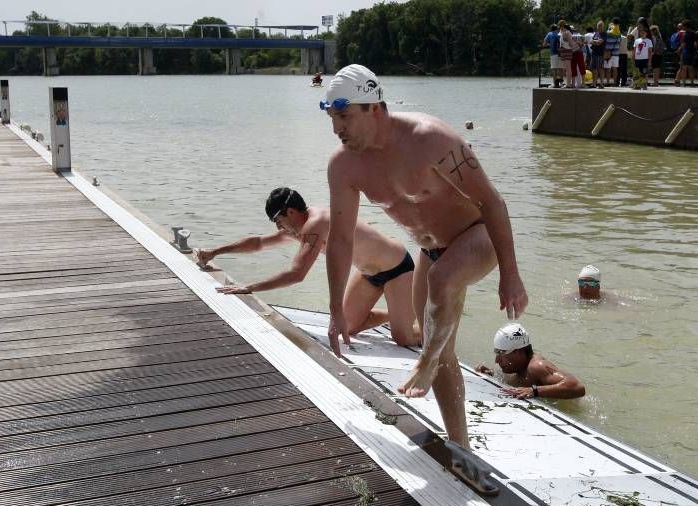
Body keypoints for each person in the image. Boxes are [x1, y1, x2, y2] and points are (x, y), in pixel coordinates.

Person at [321, 64, 528, 463]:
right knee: (443, 346)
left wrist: (510, 273)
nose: (338, 129)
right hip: (429, 251)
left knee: (441, 283)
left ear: (375, 108)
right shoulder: (344, 165)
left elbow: (493, 202)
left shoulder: (430, 139)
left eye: (344, 117)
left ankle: (425, 362)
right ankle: (461, 446)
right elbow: (341, 240)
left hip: (476, 235)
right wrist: (334, 309)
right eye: (332, 119)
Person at [197, 187, 421, 350]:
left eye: (277, 220)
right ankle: (399, 314)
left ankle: (431, 325)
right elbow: (259, 242)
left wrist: (249, 287)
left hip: (397, 267)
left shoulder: (316, 224)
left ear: (291, 212)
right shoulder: (299, 227)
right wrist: (216, 251)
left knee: (404, 338)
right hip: (369, 273)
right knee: (350, 326)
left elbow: (297, 274)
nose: (278, 227)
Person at [474, 323, 585, 400]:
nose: (497, 360)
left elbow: (577, 387)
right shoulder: (518, 366)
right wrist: (491, 373)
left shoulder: (536, 366)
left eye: (502, 354)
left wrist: (534, 391)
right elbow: (517, 381)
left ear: (518, 352)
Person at [680, 20, 698, 86]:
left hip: (686, 52)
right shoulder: (694, 33)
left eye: (683, 26)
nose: (682, 27)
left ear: (685, 26)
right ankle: (692, 83)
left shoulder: (685, 34)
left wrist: (679, 50)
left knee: (684, 68)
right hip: (692, 52)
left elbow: (683, 44)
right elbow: (696, 44)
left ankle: (683, 83)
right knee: (691, 68)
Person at [590, 21, 607, 89]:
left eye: (600, 26)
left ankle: (601, 83)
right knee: (594, 69)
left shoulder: (604, 34)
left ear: (603, 27)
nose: (599, 27)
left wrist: (595, 42)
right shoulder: (596, 33)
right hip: (594, 53)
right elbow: (591, 41)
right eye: (598, 26)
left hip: (600, 53)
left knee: (600, 68)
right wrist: (595, 42)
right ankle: (594, 83)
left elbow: (600, 42)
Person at [557, 20, 574, 88]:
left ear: (562, 26)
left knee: (568, 68)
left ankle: (568, 84)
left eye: (560, 26)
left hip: (567, 51)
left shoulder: (567, 32)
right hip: (564, 51)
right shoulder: (563, 32)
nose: (559, 28)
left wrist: (567, 46)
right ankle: (568, 83)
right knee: (566, 68)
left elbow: (570, 43)